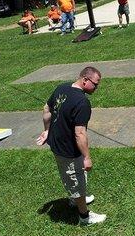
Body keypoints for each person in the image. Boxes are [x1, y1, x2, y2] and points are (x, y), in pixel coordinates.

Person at [36, 66, 106, 226]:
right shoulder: (82, 102)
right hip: (68, 150)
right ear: (85, 80)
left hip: (56, 143)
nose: (97, 88)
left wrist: (47, 131)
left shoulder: (62, 88)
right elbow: (79, 133)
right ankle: (84, 216)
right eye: (95, 84)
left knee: (75, 177)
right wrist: (87, 157)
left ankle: (78, 198)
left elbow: (47, 109)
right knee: (75, 179)